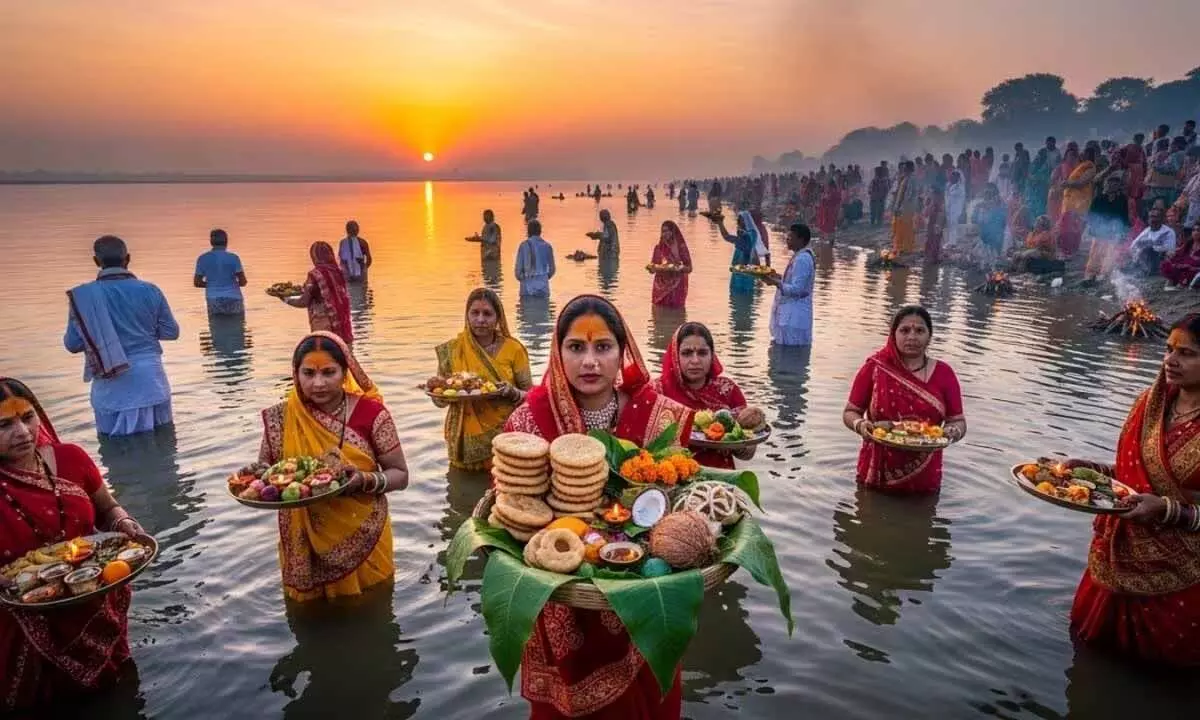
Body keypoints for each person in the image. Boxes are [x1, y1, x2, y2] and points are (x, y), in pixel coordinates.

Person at [502, 295, 692, 719]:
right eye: (576, 347)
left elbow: (680, 501)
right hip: (558, 590)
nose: (589, 362)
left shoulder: (658, 418)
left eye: (603, 347)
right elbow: (511, 506)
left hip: (640, 591)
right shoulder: (527, 423)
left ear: (623, 352)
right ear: (558, 352)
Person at [0, 377, 147, 712]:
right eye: (4, 425)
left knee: (118, 692)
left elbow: (107, 508)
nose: (22, 433)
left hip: (95, 601)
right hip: (23, 624)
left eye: (28, 417)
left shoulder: (71, 459)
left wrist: (123, 522)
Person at [1068, 314, 1200, 665]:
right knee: (1087, 658)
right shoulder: (1151, 404)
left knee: (1160, 674)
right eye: (1169, 349)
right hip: (1114, 562)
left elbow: (1158, 492)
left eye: (1187, 353)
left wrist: (1166, 510)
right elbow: (1132, 476)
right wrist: (1088, 470)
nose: (1171, 360)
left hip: (1180, 582)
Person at [257, 332, 409, 601]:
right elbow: (266, 471)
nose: (318, 383)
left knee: (371, 603)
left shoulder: (372, 414)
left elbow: (400, 475)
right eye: (308, 373)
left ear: (345, 372)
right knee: (308, 611)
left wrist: (363, 480)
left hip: (364, 532)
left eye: (329, 372)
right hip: (302, 538)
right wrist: (252, 478)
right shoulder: (282, 417)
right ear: (296, 374)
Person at [842, 306, 966, 494]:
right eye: (905, 330)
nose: (912, 337)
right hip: (877, 473)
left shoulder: (944, 374)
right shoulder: (875, 368)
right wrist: (860, 425)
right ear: (893, 334)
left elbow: (958, 420)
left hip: (925, 477)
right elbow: (850, 412)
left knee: (924, 511)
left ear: (929, 336)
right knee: (868, 508)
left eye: (920, 331)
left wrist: (953, 432)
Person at [64, 235, 179, 436]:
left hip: (112, 385)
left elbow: (72, 344)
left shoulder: (84, 297)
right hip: (152, 381)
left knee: (116, 446)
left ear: (96, 261)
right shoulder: (150, 290)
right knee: (164, 442)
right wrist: (143, 330)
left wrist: (100, 336)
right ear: (128, 259)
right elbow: (171, 332)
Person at [433, 289, 532, 470]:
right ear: (467, 316)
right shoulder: (453, 350)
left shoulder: (514, 349)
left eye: (487, 314)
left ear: (498, 317)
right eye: (475, 313)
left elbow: (531, 398)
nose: (480, 319)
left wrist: (513, 392)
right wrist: (436, 391)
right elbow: (440, 400)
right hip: (463, 440)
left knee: (506, 479)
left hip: (505, 438)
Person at [654, 323, 753, 469]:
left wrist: (736, 442)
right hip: (672, 473)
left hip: (722, 476)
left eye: (702, 353)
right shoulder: (658, 392)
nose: (695, 360)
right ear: (675, 356)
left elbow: (748, 452)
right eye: (687, 353)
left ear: (712, 355)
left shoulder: (727, 389)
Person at [281, 242, 354, 346]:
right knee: (344, 352)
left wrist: (285, 299)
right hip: (342, 325)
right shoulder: (339, 272)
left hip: (323, 325)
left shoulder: (315, 275)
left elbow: (303, 302)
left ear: (314, 257)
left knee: (325, 353)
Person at [762, 223, 814, 346]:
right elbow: (795, 282)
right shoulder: (799, 256)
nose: (787, 239)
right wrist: (777, 278)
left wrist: (776, 283)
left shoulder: (802, 259)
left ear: (800, 239)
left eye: (790, 237)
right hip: (790, 316)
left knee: (789, 353)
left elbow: (797, 290)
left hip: (794, 318)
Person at [1084, 176, 1132, 284]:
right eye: (1110, 184)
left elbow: (1124, 216)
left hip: (1114, 230)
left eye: (1115, 184)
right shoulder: (1098, 198)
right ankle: (1091, 274)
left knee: (1110, 253)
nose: (1112, 186)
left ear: (1118, 186)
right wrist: (1092, 228)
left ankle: (1104, 274)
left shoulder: (1122, 199)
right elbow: (1091, 215)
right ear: (1106, 185)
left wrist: (1124, 231)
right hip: (1099, 230)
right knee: (1095, 253)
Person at [1055, 145, 1099, 257]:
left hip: (1079, 202)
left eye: (1084, 152)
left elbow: (1082, 182)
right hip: (1071, 201)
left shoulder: (1090, 167)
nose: (1081, 154)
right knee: (1065, 227)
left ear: (1088, 155)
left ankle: (1071, 251)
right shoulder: (1080, 166)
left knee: (1074, 227)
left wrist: (1067, 183)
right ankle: (1066, 251)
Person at [193, 228, 247, 315]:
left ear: (211, 242)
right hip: (234, 297)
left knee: (216, 323)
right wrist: (228, 284)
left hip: (213, 298)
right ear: (226, 241)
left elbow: (197, 283)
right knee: (237, 322)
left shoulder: (203, 258)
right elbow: (243, 282)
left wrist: (213, 284)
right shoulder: (233, 258)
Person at [717, 211, 769, 296]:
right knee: (746, 298)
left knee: (738, 296)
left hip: (740, 275)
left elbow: (727, 236)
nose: (738, 222)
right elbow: (755, 257)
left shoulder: (746, 238)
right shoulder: (752, 236)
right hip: (747, 275)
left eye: (740, 220)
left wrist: (720, 223)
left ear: (746, 222)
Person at [650, 221, 692, 308]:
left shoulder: (681, 247)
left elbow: (689, 268)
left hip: (677, 286)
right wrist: (652, 268)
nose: (664, 234)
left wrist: (678, 268)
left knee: (677, 310)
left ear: (673, 232)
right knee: (658, 311)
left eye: (667, 231)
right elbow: (652, 269)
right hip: (660, 288)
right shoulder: (659, 248)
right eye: (663, 231)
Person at [1128, 207, 1177, 278]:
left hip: (1160, 260)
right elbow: (1133, 245)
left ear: (1161, 219)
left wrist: (1153, 248)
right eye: (1150, 217)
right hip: (1143, 260)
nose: (1152, 219)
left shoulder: (1168, 232)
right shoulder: (1146, 231)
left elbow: (1170, 250)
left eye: (1155, 217)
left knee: (1149, 249)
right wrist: (1137, 253)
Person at [515, 220, 556, 298]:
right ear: (540, 231)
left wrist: (525, 279)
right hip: (543, 287)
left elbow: (517, 272)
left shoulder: (523, 245)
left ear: (528, 231)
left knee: (526, 305)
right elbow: (552, 270)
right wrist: (543, 278)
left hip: (527, 288)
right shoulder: (547, 246)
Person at [971, 183, 1007, 266]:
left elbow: (1003, 221)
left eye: (990, 193)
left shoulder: (999, 205)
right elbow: (973, 219)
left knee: (994, 257)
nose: (987, 195)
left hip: (995, 235)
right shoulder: (979, 206)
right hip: (983, 234)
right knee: (982, 258)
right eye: (986, 193)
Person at [1048, 144, 1080, 226]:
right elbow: (1053, 182)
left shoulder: (1079, 169)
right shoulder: (1060, 168)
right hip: (1059, 198)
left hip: (1074, 199)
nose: (1072, 158)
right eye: (1070, 155)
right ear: (1066, 157)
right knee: (1058, 220)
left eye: (1074, 156)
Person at [890, 161, 918, 255]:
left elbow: (907, 196)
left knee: (906, 228)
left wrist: (900, 207)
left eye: (905, 168)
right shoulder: (906, 178)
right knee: (901, 227)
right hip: (903, 207)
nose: (904, 169)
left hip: (906, 208)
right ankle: (901, 247)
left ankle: (906, 248)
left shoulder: (912, 179)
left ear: (910, 169)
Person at [1024, 148, 1052, 219]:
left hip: (1042, 190)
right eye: (1042, 154)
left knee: (1041, 209)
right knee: (1032, 208)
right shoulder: (1034, 164)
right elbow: (1029, 176)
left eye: (1045, 155)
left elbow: (1048, 178)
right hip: (1033, 190)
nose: (1043, 156)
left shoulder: (1047, 165)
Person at [944, 170, 967, 251]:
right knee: (950, 226)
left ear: (957, 178)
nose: (951, 178)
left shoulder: (960, 187)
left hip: (956, 209)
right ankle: (950, 241)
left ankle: (953, 243)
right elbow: (946, 196)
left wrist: (962, 210)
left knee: (954, 226)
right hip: (948, 208)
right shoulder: (948, 185)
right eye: (951, 176)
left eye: (954, 177)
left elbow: (961, 199)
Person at [923, 185, 946, 263]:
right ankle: (932, 257)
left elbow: (928, 212)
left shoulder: (937, 200)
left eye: (931, 191)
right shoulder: (936, 199)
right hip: (934, 222)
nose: (930, 193)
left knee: (934, 239)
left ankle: (931, 257)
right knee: (934, 239)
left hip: (936, 221)